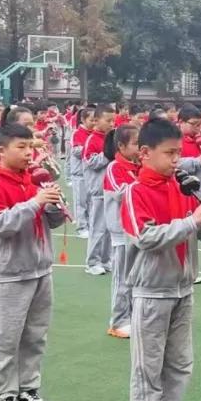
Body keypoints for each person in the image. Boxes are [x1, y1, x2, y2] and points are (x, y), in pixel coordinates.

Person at [120, 118, 201, 401]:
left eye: (179, 152)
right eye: (170, 153)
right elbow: (146, 237)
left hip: (182, 287)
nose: (177, 160)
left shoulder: (181, 187)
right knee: (148, 368)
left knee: (179, 365)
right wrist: (192, 221)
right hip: (151, 291)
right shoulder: (136, 192)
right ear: (145, 153)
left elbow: (200, 234)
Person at [0, 122, 67, 401]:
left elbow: (52, 223)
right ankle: (1, 396)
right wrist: (34, 202)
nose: (29, 154)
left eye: (31, 147)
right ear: (1, 151)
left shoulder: (34, 181)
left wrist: (53, 203)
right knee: (6, 338)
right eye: (21, 147)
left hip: (41, 268)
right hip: (11, 273)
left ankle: (28, 389)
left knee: (35, 336)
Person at [104, 125, 141, 339]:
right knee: (122, 280)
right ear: (121, 146)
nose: (139, 148)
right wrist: (141, 182)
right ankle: (117, 321)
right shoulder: (115, 167)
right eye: (136, 144)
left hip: (136, 230)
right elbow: (121, 194)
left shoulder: (137, 166)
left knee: (135, 277)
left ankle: (132, 316)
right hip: (120, 231)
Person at [82, 106, 115, 275]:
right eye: (108, 120)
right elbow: (90, 161)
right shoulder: (92, 139)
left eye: (112, 120)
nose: (111, 124)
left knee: (110, 228)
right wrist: (106, 155)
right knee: (98, 228)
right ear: (96, 121)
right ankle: (92, 261)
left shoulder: (112, 138)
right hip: (98, 190)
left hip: (111, 188)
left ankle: (105, 259)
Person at [68, 108, 94, 238]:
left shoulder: (94, 133)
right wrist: (90, 148)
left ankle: (89, 224)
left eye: (96, 120)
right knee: (81, 202)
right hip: (79, 173)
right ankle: (81, 227)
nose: (94, 122)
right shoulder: (77, 133)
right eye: (91, 120)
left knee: (90, 201)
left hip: (91, 173)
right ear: (83, 119)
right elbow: (76, 151)